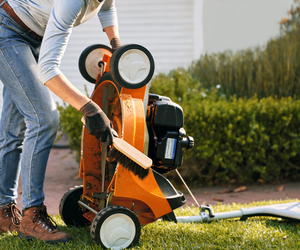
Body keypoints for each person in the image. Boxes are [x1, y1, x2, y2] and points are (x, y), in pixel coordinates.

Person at [0, 0, 121, 244]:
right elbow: (49, 70)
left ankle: (3, 212)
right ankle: (31, 216)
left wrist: (116, 44)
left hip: (33, 38)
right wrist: (89, 109)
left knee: (14, 130)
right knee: (44, 118)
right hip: (8, 32)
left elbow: (107, 7)